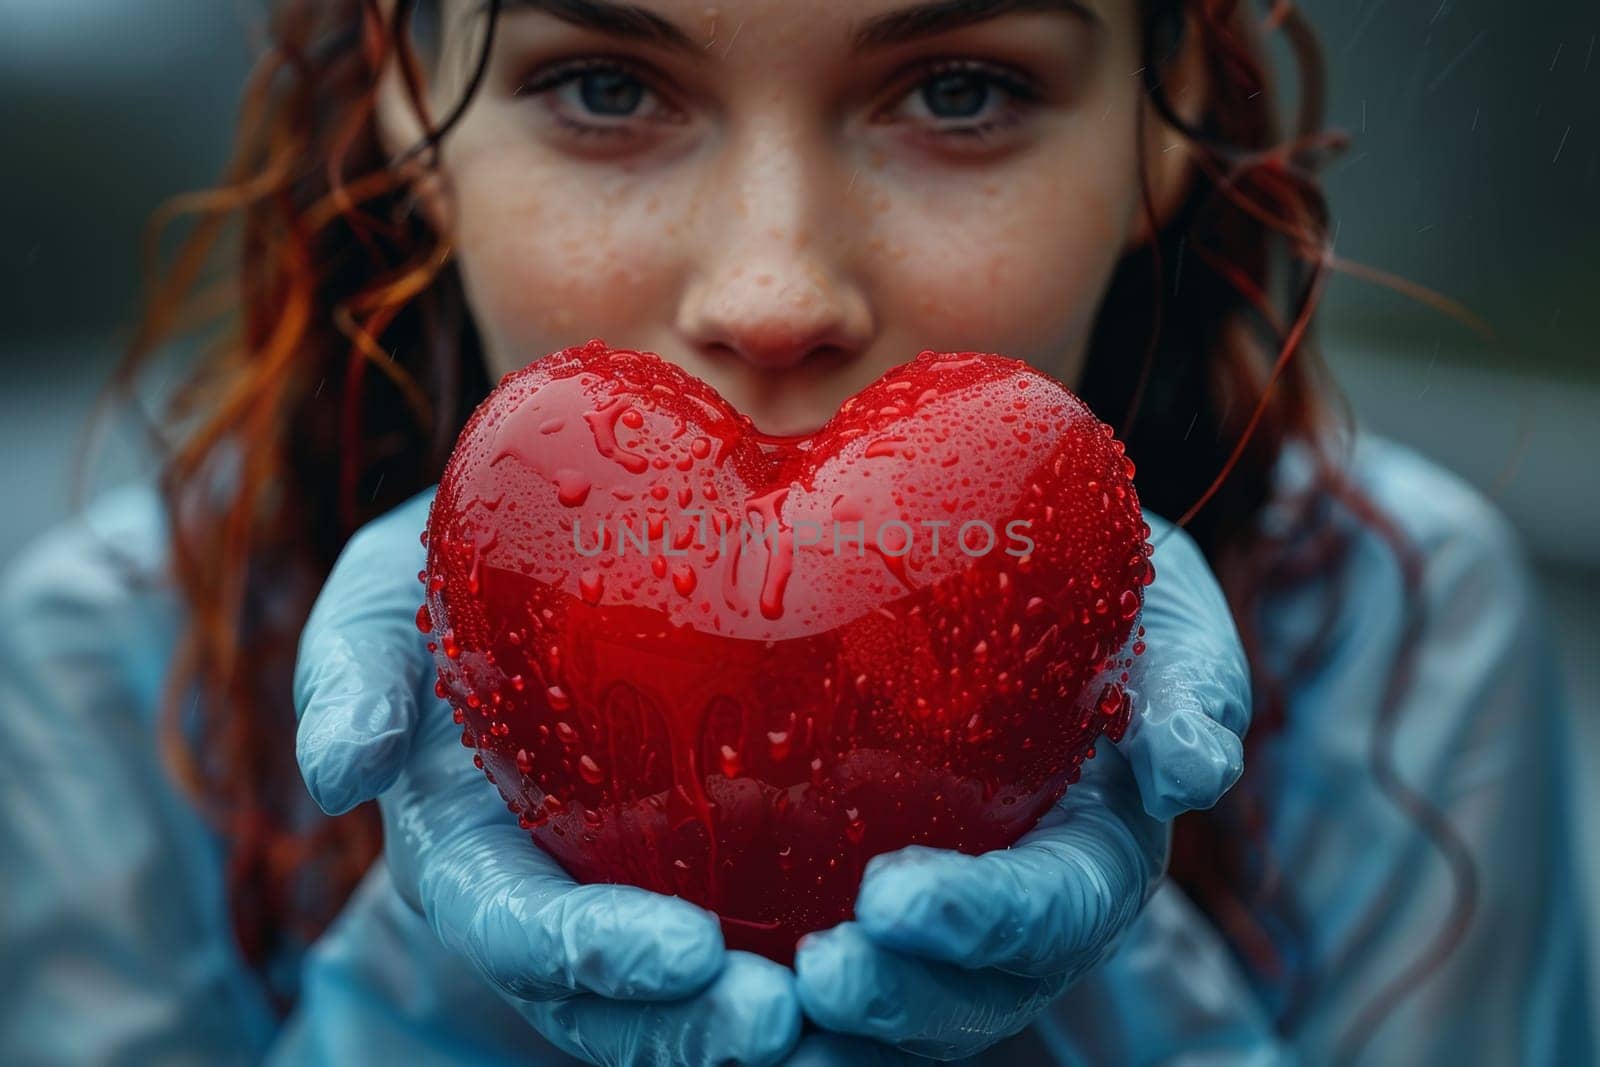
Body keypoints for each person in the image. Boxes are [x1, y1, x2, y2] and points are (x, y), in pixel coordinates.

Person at [0, 0, 1591, 1063]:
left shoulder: (1398, 629)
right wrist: (444, 995)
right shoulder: (99, 663)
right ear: (420, 106)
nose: (772, 293)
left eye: (961, 90)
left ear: (1164, 121)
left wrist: (1092, 972)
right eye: (605, 86)